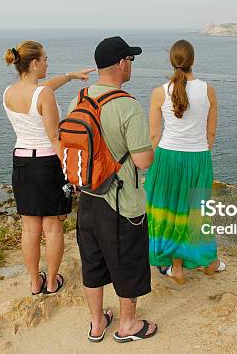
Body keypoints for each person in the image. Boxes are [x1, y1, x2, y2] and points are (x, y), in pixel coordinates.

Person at [68, 36, 157, 343]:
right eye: (130, 60)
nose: (131, 65)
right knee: (128, 261)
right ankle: (128, 325)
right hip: (121, 202)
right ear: (121, 64)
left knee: (92, 262)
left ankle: (96, 323)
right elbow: (143, 161)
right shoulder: (127, 105)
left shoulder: (78, 99)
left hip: (87, 199)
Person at [3, 41, 94, 295]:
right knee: (52, 227)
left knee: (30, 228)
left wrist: (68, 76)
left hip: (21, 162)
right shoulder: (44, 95)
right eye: (45, 59)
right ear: (34, 63)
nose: (47, 62)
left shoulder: (8, 93)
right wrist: (72, 172)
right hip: (47, 163)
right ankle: (52, 282)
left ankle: (35, 283)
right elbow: (55, 138)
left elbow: (39, 90)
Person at [145, 39, 225, 284]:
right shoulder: (208, 90)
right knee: (196, 212)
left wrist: (155, 165)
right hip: (198, 157)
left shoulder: (160, 92)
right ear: (193, 60)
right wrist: (201, 150)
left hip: (167, 157)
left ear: (172, 61)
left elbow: (153, 135)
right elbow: (211, 133)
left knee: (170, 210)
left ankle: (176, 267)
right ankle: (209, 261)